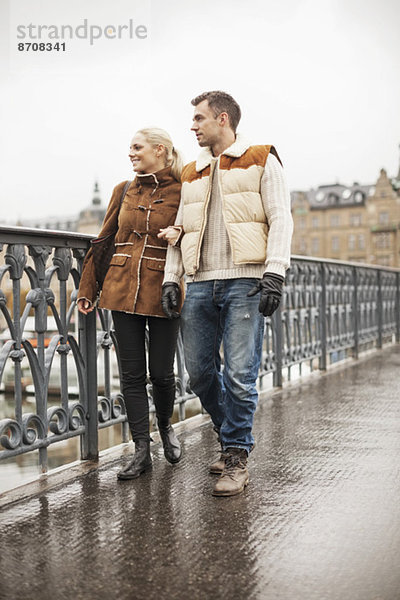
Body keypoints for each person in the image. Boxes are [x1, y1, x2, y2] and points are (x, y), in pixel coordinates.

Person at [160, 91, 293, 497]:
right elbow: (180, 228)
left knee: (239, 375)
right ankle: (232, 433)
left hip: (246, 281)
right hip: (199, 282)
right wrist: (171, 276)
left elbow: (280, 218)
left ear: (222, 119)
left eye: (199, 119)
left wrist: (274, 273)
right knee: (199, 373)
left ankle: (235, 456)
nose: (193, 126)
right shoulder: (191, 171)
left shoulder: (261, 157)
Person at [77, 127, 184, 480]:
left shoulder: (184, 189)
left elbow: (194, 232)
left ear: (160, 150)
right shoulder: (122, 190)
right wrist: (87, 289)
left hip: (165, 289)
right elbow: (104, 238)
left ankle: (166, 427)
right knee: (132, 375)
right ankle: (142, 450)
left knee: (163, 374)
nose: (131, 153)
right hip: (121, 289)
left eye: (137, 148)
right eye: (130, 148)